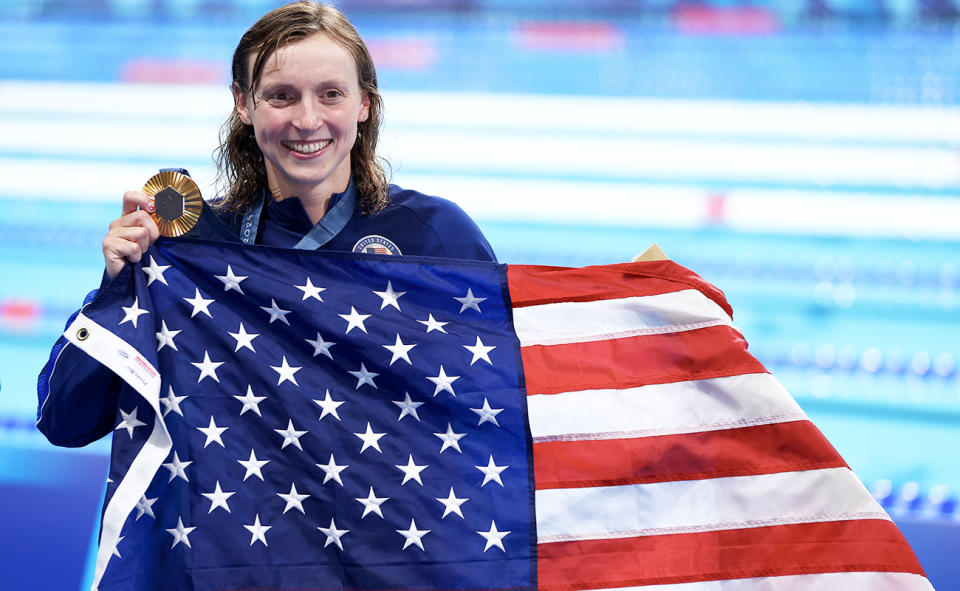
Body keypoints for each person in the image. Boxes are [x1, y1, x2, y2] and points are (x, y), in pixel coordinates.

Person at [38, 0, 496, 446]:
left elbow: (500, 412)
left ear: (364, 105)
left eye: (331, 94)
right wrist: (118, 288)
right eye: (282, 96)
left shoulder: (435, 237)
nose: (307, 119)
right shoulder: (193, 245)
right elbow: (66, 421)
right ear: (244, 103)